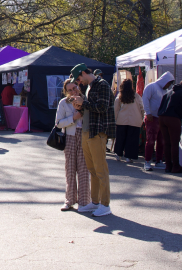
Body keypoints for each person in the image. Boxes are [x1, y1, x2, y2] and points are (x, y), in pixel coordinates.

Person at [72, 65, 113, 216]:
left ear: (84, 73)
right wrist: (80, 106)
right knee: (93, 170)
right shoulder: (89, 87)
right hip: (86, 131)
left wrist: (84, 103)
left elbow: (102, 107)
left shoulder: (102, 85)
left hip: (97, 132)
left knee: (101, 170)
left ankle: (105, 204)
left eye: (78, 78)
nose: (78, 82)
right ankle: (95, 202)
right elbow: (89, 109)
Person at [55, 79, 91, 211]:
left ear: (79, 87)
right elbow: (58, 123)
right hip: (70, 137)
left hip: (84, 136)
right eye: (69, 90)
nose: (73, 91)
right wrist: (73, 118)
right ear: (66, 91)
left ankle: (84, 201)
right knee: (70, 169)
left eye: (74, 88)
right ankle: (69, 200)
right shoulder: (63, 103)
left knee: (83, 169)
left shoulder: (86, 101)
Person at [158, 79, 182, 174]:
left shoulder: (169, 92)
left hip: (161, 117)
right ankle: (175, 166)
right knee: (174, 143)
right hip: (173, 118)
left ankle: (168, 166)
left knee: (167, 142)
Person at [141, 73, 173, 172]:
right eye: (169, 83)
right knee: (150, 140)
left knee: (161, 140)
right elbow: (145, 99)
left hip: (161, 118)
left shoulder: (165, 90)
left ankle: (158, 160)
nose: (169, 86)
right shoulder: (151, 86)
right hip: (152, 117)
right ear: (165, 81)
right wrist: (148, 112)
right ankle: (147, 161)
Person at [113, 78, 143, 163]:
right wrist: (142, 118)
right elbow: (142, 107)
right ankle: (128, 157)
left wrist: (115, 119)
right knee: (132, 139)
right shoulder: (136, 96)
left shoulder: (120, 96)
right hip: (135, 120)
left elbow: (116, 109)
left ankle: (118, 154)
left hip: (121, 120)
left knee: (120, 138)